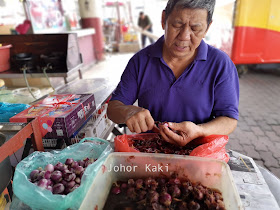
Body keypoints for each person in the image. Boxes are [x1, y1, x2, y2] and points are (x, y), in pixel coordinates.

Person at [107, 0, 239, 147]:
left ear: (207, 28)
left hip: (198, 155)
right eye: (177, 25)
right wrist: (128, 112)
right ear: (164, 20)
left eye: (195, 28)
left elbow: (229, 119)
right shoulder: (141, 61)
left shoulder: (220, 64)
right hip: (150, 153)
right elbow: (113, 108)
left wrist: (199, 130)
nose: (184, 36)